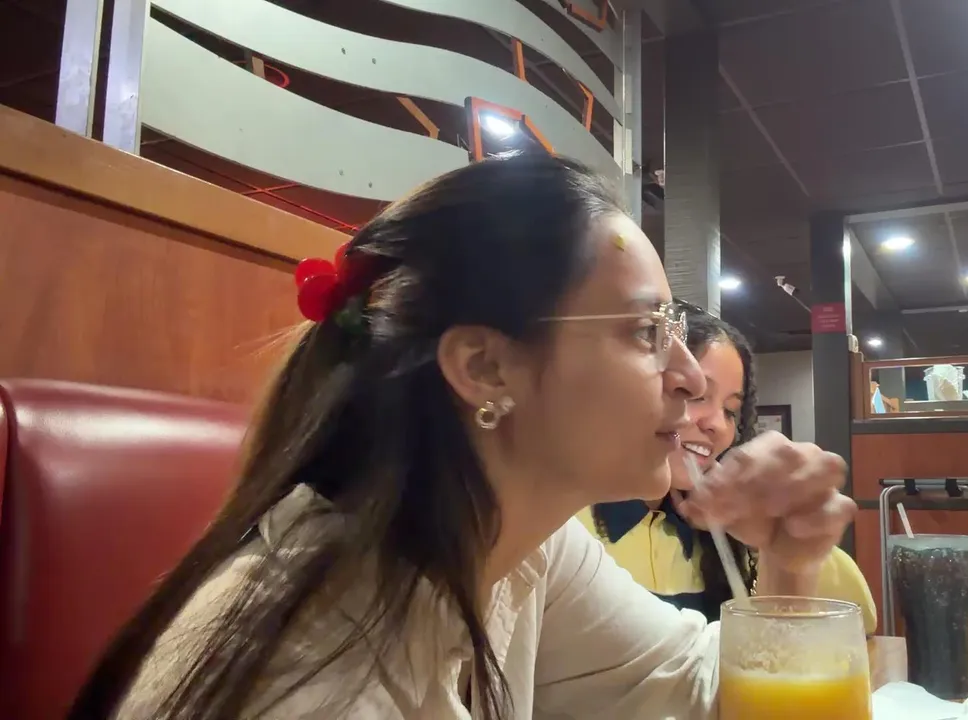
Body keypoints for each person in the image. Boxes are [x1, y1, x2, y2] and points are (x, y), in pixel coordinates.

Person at [69, 153, 854, 720]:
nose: (687, 377)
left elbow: (701, 689)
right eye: (647, 330)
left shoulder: (517, 552)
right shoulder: (314, 683)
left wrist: (788, 559)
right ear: (484, 367)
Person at [578, 306, 877, 629]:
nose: (718, 425)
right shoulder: (566, 534)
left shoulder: (728, 535)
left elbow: (860, 619)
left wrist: (793, 539)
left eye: (731, 410)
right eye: (696, 396)